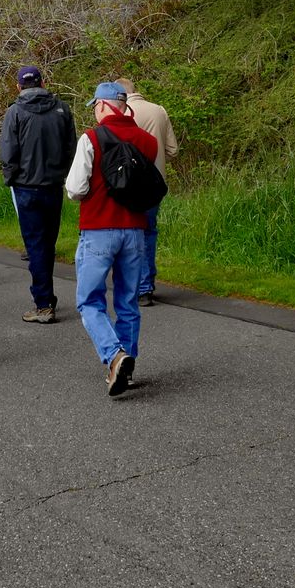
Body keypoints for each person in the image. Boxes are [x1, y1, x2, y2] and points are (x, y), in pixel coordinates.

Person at [64, 81, 158, 396]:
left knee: (89, 300)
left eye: (95, 106)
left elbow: (76, 189)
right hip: (134, 230)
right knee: (128, 302)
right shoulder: (147, 141)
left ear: (104, 106)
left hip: (98, 229)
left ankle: (114, 355)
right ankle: (126, 369)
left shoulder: (91, 138)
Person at [0, 65, 76, 324]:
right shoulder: (62, 109)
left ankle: (43, 303)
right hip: (52, 184)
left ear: (19, 86)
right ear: (43, 83)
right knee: (47, 244)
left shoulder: (15, 112)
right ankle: (46, 296)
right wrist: (63, 173)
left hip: (27, 186)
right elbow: (70, 147)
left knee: (36, 245)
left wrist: (10, 178)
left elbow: (9, 152)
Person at [115, 78, 178, 306]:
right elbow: (173, 149)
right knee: (149, 231)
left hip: (129, 184)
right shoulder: (158, 110)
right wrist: (159, 160)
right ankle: (147, 284)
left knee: (131, 233)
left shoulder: (123, 114)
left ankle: (137, 286)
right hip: (156, 182)